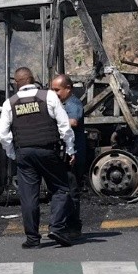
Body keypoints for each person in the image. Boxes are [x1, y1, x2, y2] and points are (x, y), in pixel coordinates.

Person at [0, 67, 76, 248]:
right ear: (33, 79)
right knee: (60, 188)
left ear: (16, 83)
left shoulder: (10, 103)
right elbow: (65, 126)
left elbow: (3, 134)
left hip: (24, 154)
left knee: (29, 197)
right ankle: (56, 228)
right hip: (48, 151)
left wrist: (12, 153)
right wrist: (70, 149)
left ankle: (33, 239)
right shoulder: (49, 96)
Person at [50, 74, 86, 239]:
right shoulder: (62, 103)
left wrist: (53, 121)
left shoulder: (73, 103)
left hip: (74, 155)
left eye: (57, 90)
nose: (54, 93)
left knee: (72, 191)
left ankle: (73, 227)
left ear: (68, 89)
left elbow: (73, 122)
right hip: (66, 153)